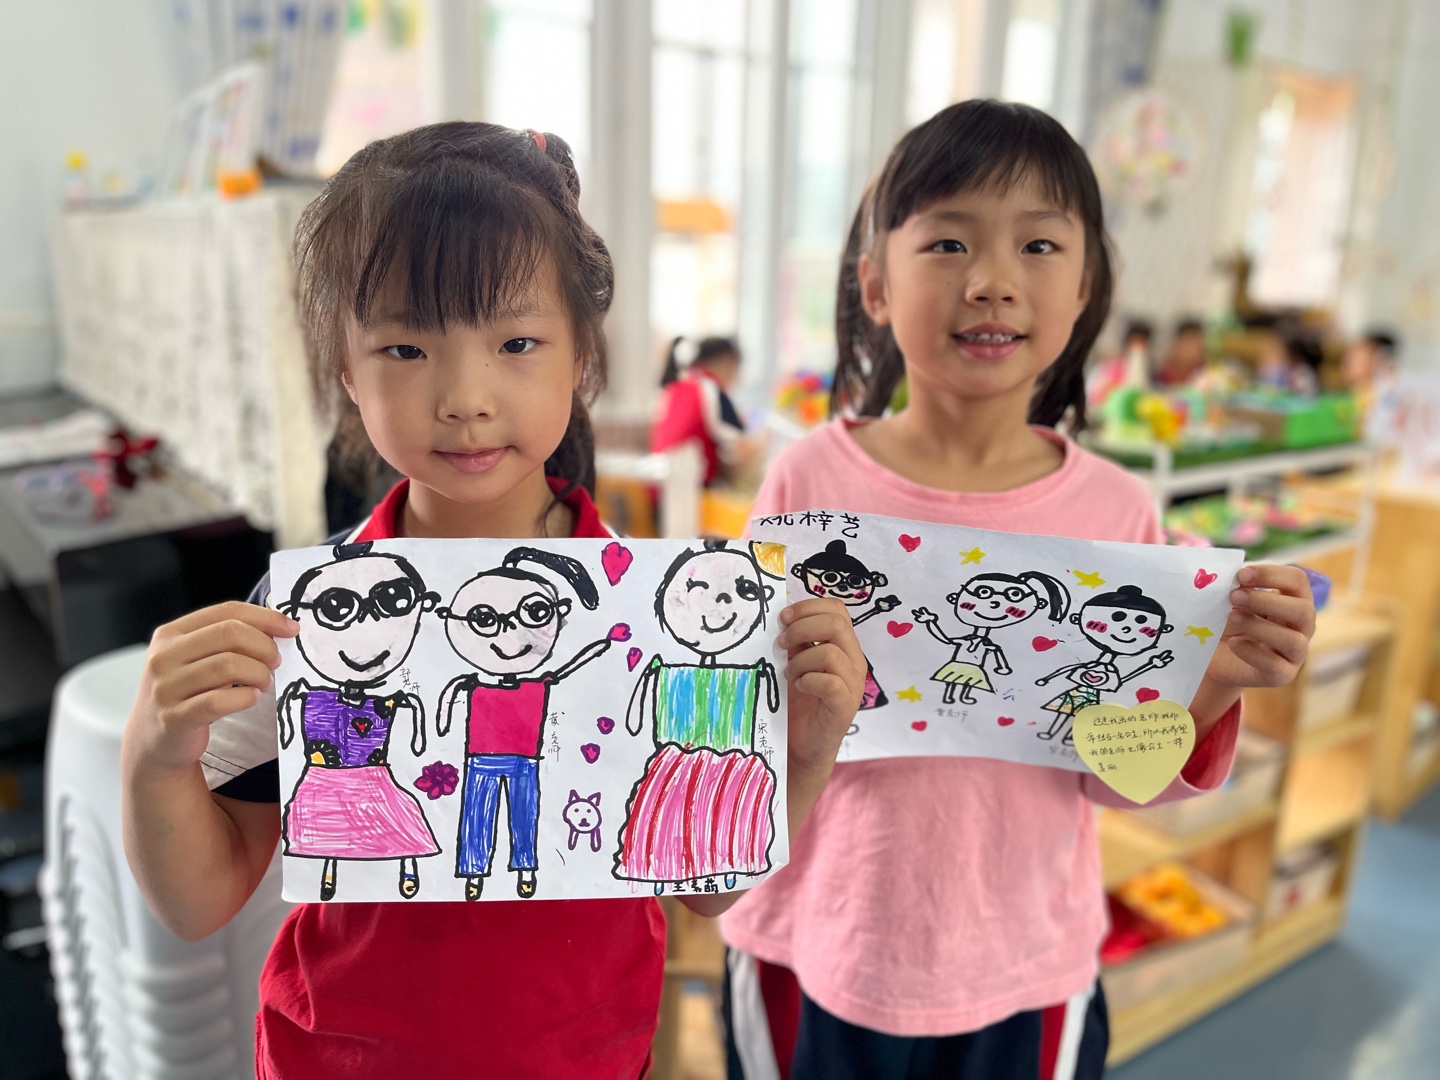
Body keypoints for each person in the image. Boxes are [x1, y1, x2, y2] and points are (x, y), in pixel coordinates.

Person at [119, 122, 868, 1079]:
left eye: (516, 342)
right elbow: (198, 901)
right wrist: (153, 755)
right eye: (405, 348)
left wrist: (804, 756)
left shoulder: (666, 612)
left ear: (580, 356)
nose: (465, 397)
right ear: (346, 370)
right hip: (337, 1060)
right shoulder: (314, 613)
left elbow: (707, 891)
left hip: (591, 1059)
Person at [720, 100, 1316, 1079]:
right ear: (875, 285)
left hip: (1024, 963)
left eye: (1038, 245)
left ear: (1082, 290)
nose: (992, 281)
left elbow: (1115, 772)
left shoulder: (1118, 510)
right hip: (814, 941)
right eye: (948, 242)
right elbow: (748, 716)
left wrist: (1216, 678)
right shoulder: (806, 481)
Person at [652, 335, 754, 486]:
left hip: (661, 488)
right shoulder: (710, 388)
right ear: (727, 362)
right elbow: (743, 449)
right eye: (737, 370)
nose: (737, 379)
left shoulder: (675, 386)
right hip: (693, 490)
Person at [1154, 317, 1207, 387]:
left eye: (1197, 347)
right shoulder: (1160, 375)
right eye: (1188, 344)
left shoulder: (1205, 374)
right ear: (1177, 344)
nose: (1192, 352)